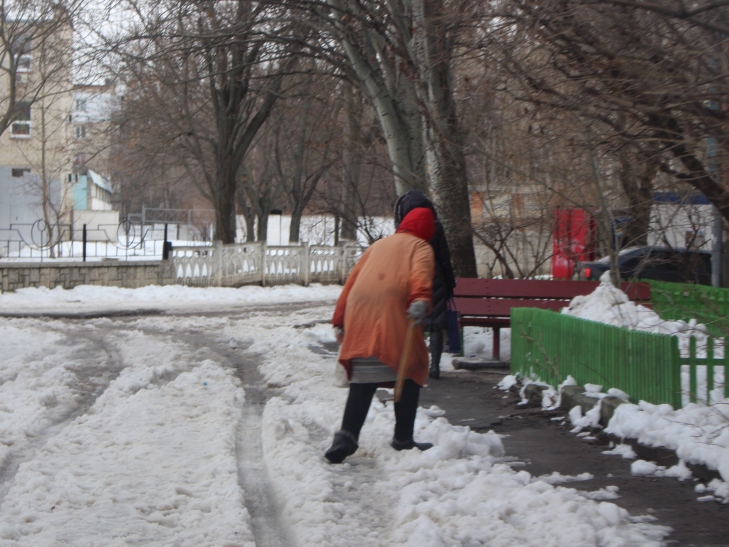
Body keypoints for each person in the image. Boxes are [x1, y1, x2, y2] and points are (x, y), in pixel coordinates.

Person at [325, 207, 436, 464]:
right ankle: (403, 439)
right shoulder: (420, 247)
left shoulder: (378, 245)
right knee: (411, 368)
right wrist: (420, 298)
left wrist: (340, 318)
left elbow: (352, 281)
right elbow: (420, 274)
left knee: (364, 378)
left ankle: (345, 437)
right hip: (392, 310)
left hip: (359, 310)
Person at [394, 190, 456, 379]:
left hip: (412, 274)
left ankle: (414, 364)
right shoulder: (436, 226)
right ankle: (435, 366)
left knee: (414, 321)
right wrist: (449, 283)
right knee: (436, 324)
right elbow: (445, 258)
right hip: (435, 276)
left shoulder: (403, 228)